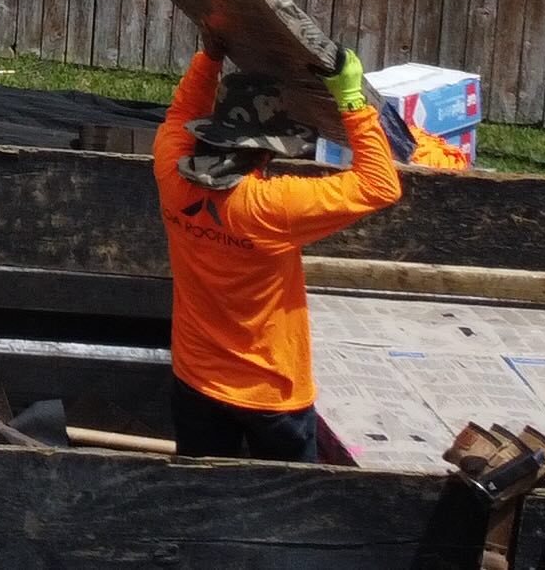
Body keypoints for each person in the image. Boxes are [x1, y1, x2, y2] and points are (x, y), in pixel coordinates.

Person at [153, 42, 403, 463]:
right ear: (267, 150)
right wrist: (352, 100)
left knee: (201, 496)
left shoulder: (170, 174)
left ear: (212, 131)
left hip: (196, 382)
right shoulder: (270, 207)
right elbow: (380, 184)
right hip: (271, 396)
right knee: (291, 499)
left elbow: (179, 115)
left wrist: (209, 57)